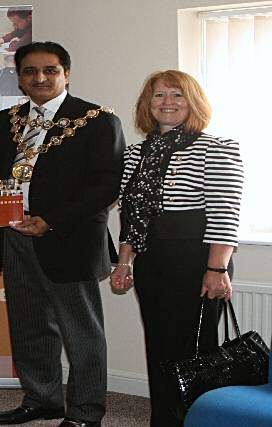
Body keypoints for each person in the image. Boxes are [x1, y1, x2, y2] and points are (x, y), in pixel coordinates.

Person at [0, 41, 125, 427]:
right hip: (14, 236)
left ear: (66, 74)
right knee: (28, 325)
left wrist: (52, 220)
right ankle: (42, 399)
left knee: (82, 334)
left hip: (68, 239)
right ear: (20, 77)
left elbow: (106, 185)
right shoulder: (8, 119)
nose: (39, 78)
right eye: (30, 71)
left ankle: (85, 413)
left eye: (50, 70)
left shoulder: (97, 119)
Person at [110, 70, 244, 427]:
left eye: (177, 95)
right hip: (153, 262)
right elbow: (132, 215)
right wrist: (125, 263)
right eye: (159, 95)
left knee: (195, 352)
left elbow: (225, 212)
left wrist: (217, 269)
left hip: (198, 260)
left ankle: (197, 420)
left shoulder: (216, 147)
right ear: (147, 103)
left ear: (193, 102)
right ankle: (164, 420)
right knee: (159, 347)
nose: (167, 102)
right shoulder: (136, 154)